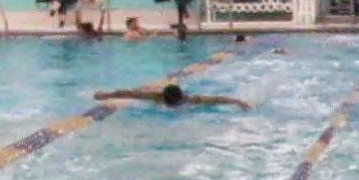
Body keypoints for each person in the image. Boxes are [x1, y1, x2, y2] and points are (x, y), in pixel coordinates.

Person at [92, 84, 252, 110]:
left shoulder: (192, 99)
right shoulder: (156, 97)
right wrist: (104, 95)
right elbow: (127, 93)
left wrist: (239, 101)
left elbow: (217, 99)